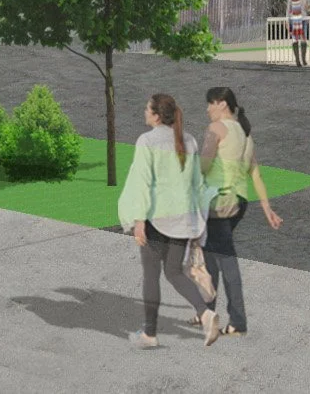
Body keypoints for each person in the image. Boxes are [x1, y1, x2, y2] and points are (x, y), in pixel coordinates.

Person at [118, 93, 217, 348]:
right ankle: (205, 313)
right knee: (174, 272)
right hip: (185, 220)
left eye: (146, 109)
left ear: (156, 115)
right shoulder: (189, 140)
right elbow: (197, 184)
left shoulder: (147, 141)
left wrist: (138, 220)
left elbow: (142, 183)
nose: (144, 112)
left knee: (151, 274)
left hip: (157, 220)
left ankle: (149, 334)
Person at [199, 87, 283, 339]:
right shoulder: (245, 135)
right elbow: (255, 174)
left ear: (221, 104)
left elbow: (203, 166)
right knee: (210, 257)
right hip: (239, 202)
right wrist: (267, 208)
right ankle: (207, 312)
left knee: (225, 260)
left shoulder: (217, 129)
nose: (207, 109)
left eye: (209, 104)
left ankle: (237, 320)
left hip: (219, 202)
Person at [286, 0, 310, 68]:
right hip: (294, 19)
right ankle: (297, 59)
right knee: (295, 39)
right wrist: (287, 21)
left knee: (304, 39)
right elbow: (288, 9)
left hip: (304, 19)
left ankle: (303, 58)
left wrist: (308, 7)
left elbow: (307, 8)